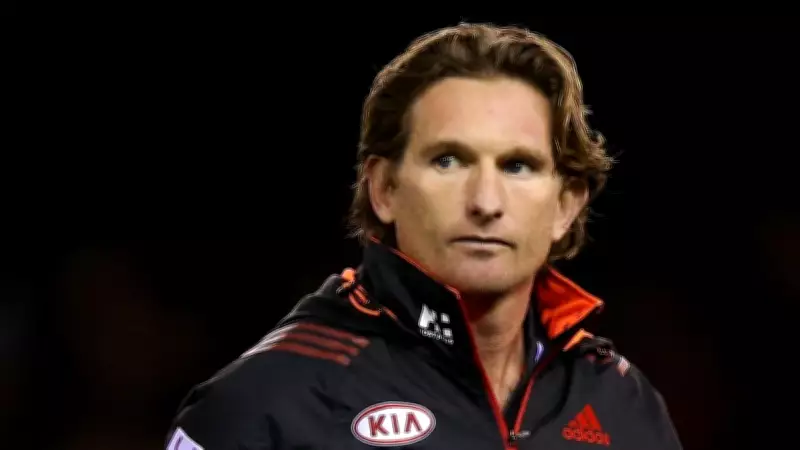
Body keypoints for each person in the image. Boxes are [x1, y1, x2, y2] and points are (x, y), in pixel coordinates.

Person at [166, 23, 682, 449]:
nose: (485, 202)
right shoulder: (265, 404)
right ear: (384, 188)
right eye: (448, 161)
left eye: (517, 166)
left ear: (566, 206)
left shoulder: (623, 403)